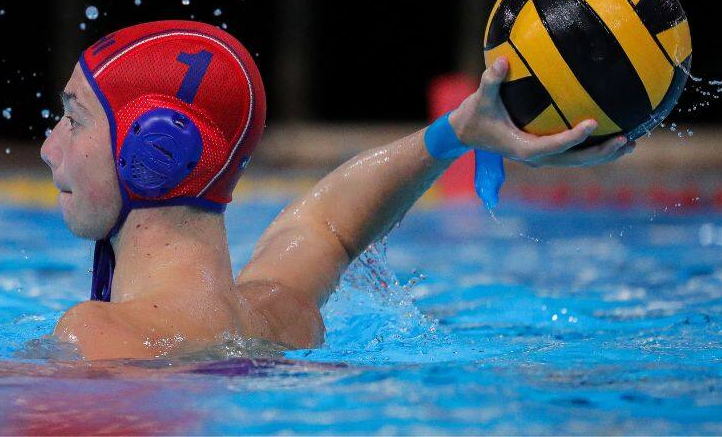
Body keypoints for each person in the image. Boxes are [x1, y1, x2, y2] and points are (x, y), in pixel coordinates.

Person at [40, 20, 634, 360]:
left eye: (75, 118)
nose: (49, 147)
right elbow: (329, 226)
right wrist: (456, 133)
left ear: (153, 150)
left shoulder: (97, 337)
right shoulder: (280, 316)